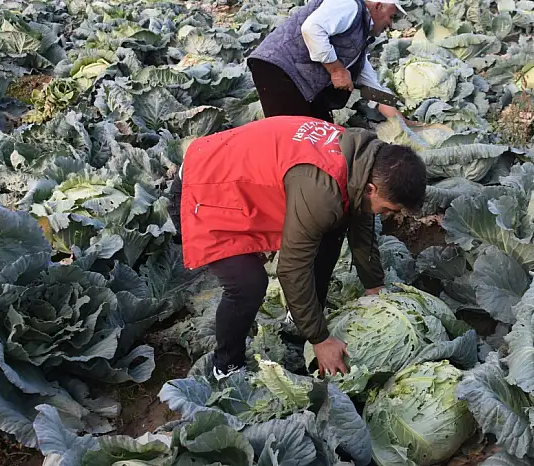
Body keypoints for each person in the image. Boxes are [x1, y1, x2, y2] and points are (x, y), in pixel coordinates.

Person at [177, 115, 427, 381]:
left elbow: (360, 221)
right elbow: (292, 268)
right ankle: (226, 365)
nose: (386, 215)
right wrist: (320, 340)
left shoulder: (362, 158)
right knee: (248, 284)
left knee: (333, 229)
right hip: (206, 187)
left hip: (243, 174)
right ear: (371, 189)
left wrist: (374, 285)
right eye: (388, 209)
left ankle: (299, 319)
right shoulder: (322, 191)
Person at [247, 0, 410, 124]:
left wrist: (403, 124)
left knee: (321, 133)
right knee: (294, 136)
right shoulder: (350, 5)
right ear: (378, 6)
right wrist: (337, 70)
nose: (391, 24)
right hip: (278, 69)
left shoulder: (360, 35)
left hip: (298, 80)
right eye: (391, 17)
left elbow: (371, 87)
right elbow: (312, 28)